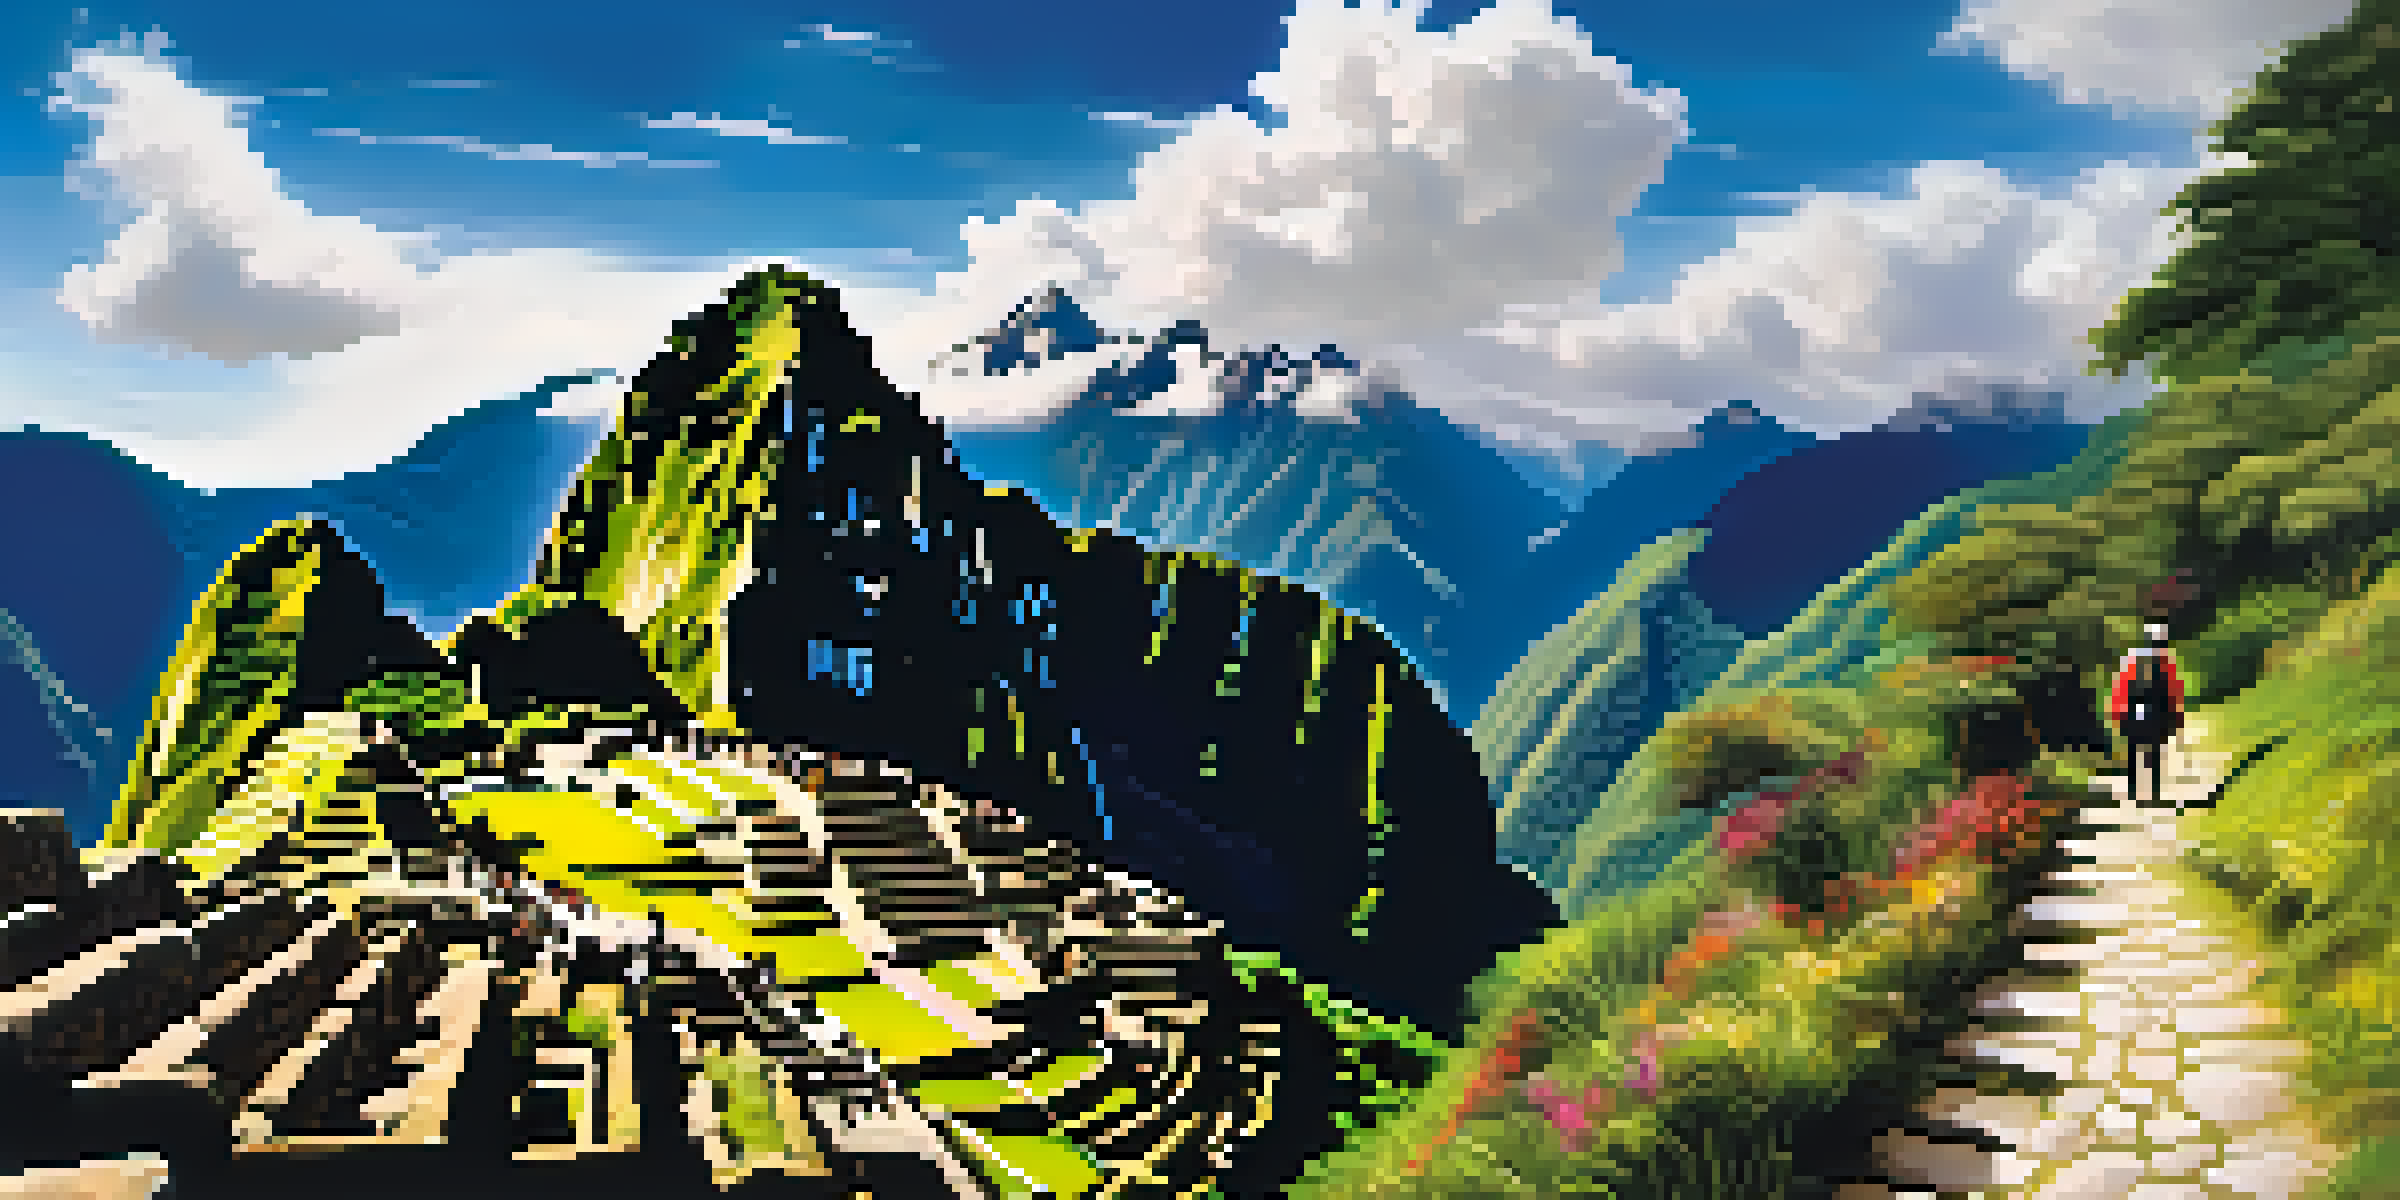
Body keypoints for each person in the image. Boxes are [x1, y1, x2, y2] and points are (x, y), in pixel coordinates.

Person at [2109, 623, 2186, 810]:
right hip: (2157, 713)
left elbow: (2120, 685)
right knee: (2154, 754)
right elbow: (2174, 689)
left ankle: (2135, 792)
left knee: (2134, 752)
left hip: (2132, 711)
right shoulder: (2165, 660)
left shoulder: (2131, 657)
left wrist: (2118, 712)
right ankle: (2153, 793)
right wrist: (2177, 715)